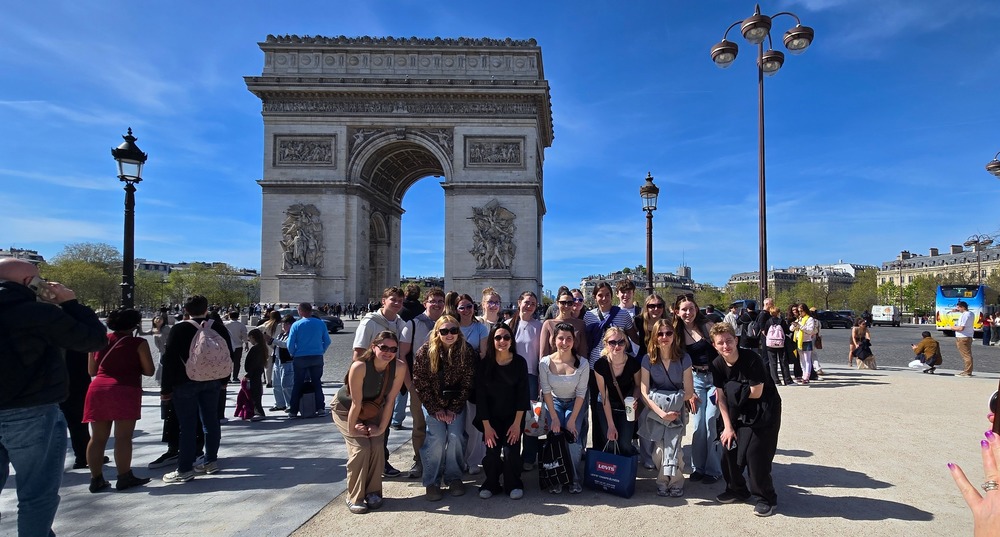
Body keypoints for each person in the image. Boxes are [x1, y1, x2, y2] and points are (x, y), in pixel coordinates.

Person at [0, 258, 107, 536]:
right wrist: (71, 303)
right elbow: (93, 340)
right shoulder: (36, 313)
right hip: (30, 409)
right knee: (36, 494)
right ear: (28, 283)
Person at [709, 323, 782, 517]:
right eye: (720, 343)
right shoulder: (717, 364)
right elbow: (720, 397)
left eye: (729, 341)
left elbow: (757, 393)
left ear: (737, 340)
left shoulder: (751, 359)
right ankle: (737, 489)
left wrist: (732, 387)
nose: (726, 346)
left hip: (764, 409)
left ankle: (766, 498)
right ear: (714, 345)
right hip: (736, 406)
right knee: (728, 447)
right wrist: (727, 426)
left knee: (755, 454)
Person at [160, 295, 234, 483]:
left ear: (185, 310)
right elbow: (228, 354)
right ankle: (211, 461)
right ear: (206, 309)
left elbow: (169, 360)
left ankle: (184, 469)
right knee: (211, 422)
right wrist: (224, 379)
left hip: (185, 381)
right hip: (213, 380)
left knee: (187, 425)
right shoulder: (217, 327)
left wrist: (166, 388)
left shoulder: (180, 328)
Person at [84, 308, 156, 492]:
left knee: (97, 438)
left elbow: (92, 371)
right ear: (134, 324)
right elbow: (149, 371)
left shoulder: (98, 341)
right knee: (123, 437)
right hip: (125, 388)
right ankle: (124, 476)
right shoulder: (137, 343)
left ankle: (96, 479)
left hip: (98, 389)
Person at [332, 331, 405, 514]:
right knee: (361, 447)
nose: (388, 352)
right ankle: (354, 496)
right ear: (374, 347)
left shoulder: (399, 367)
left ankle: (373, 492)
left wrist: (380, 428)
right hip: (346, 410)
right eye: (384, 347)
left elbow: (390, 401)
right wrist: (353, 428)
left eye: (393, 349)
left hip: (374, 409)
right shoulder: (360, 366)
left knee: (377, 444)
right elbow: (355, 403)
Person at [412, 315, 477, 501]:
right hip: (433, 404)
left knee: (456, 437)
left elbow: (468, 382)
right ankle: (432, 481)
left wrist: (454, 408)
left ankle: (454, 477)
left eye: (453, 331)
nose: (449, 334)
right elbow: (420, 383)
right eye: (444, 331)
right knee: (437, 439)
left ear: (459, 332)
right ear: (437, 332)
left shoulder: (467, 351)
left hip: (456, 403)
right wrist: (436, 408)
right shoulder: (424, 352)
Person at [352, 287, 405, 477]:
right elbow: (358, 353)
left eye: (400, 300)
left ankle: (381, 462)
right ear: (383, 300)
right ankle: (366, 466)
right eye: (393, 299)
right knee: (363, 424)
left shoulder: (401, 323)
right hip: (368, 382)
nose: (397, 303)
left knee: (383, 424)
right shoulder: (369, 323)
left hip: (388, 381)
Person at [639, 319, 695, 497]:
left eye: (668, 333)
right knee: (659, 451)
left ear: (674, 336)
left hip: (677, 411)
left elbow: (688, 391)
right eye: (660, 334)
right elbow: (644, 391)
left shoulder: (684, 358)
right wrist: (662, 412)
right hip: (657, 411)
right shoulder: (648, 359)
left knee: (675, 449)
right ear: (654, 337)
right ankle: (664, 479)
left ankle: (674, 482)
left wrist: (672, 405)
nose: (664, 337)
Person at [475, 323, 529, 500]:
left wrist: (516, 425)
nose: (502, 341)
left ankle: (513, 483)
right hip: (490, 418)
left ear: (511, 340)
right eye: (498, 337)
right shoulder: (484, 365)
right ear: (492, 340)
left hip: (514, 417)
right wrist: (487, 427)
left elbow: (523, 395)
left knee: (511, 451)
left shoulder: (520, 362)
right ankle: (491, 483)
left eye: (506, 337)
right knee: (492, 452)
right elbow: (480, 398)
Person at [583, 282, 639, 449]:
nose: (604, 298)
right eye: (600, 295)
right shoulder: (588, 316)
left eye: (607, 294)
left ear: (612, 296)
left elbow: (634, 338)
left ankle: (624, 445)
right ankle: (600, 447)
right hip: (596, 368)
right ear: (594, 297)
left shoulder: (623, 315)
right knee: (597, 407)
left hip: (619, 367)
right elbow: (586, 342)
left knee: (622, 406)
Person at [399, 287, 447, 479]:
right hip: (419, 384)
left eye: (440, 301)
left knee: (441, 427)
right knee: (420, 425)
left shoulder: (449, 324)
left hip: (444, 385)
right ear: (424, 302)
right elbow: (402, 356)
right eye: (433, 301)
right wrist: (409, 384)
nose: (436, 304)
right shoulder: (412, 324)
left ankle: (438, 461)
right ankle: (419, 460)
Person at [674, 293, 722, 484]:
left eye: (691, 308)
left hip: (714, 377)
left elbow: (722, 354)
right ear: (677, 312)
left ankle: (713, 469)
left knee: (711, 421)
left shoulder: (707, 326)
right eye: (684, 309)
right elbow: (680, 365)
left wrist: (722, 384)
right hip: (695, 379)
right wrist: (689, 391)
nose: (688, 313)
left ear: (696, 309)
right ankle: (698, 467)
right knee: (699, 423)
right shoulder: (676, 333)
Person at [539, 322, 590, 494]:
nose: (565, 342)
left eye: (569, 339)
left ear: (574, 341)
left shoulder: (582, 363)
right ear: (554, 340)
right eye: (561, 338)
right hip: (554, 403)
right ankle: (556, 477)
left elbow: (582, 393)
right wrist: (554, 417)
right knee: (555, 436)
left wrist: (573, 419)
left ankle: (574, 478)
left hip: (575, 402)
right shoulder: (545, 363)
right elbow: (546, 391)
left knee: (573, 438)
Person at [507, 291, 543, 470]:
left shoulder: (540, 326)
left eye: (533, 304)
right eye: (527, 302)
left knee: (531, 417)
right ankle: (511, 452)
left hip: (531, 375)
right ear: (519, 302)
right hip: (510, 376)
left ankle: (529, 456)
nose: (529, 306)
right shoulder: (507, 325)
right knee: (511, 416)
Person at [593, 327, 641, 457]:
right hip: (606, 404)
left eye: (621, 342)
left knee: (625, 444)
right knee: (610, 441)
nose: (617, 346)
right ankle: (611, 473)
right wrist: (611, 425)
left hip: (627, 406)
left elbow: (638, 385)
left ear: (626, 343)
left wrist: (635, 399)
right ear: (606, 344)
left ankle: (627, 468)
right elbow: (604, 397)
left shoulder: (633, 363)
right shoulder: (600, 365)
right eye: (612, 342)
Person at [287, 302, 331, 418]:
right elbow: (327, 341)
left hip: (300, 357)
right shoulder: (320, 323)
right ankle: (320, 408)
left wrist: (293, 353)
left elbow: (290, 343)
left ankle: (293, 411)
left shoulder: (296, 325)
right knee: (317, 383)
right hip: (317, 356)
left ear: (301, 311)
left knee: (298, 384)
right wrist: (321, 350)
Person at [761, 305, 792, 386]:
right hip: (781, 343)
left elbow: (766, 332)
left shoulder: (768, 321)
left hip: (770, 344)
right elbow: (787, 331)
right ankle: (787, 379)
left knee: (773, 362)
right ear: (778, 313)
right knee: (783, 361)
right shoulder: (781, 321)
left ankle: (776, 380)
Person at [269, 315, 295, 412]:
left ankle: (290, 404)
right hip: (277, 360)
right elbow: (277, 345)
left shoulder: (292, 335)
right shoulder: (281, 334)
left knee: (286, 385)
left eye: (286, 324)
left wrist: (272, 340)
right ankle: (280, 404)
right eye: (283, 324)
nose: (283, 326)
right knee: (276, 384)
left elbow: (285, 345)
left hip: (287, 361)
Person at [790, 303, 819, 385]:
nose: (800, 313)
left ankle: (807, 376)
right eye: (798, 311)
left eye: (801, 311)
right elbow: (791, 329)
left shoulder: (809, 319)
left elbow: (810, 330)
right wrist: (794, 325)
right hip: (799, 341)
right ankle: (804, 374)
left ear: (805, 310)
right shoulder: (799, 318)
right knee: (801, 359)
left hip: (806, 341)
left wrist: (800, 326)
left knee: (807, 359)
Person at [243, 328, 267, 420]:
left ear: (253, 337)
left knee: (255, 393)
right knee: (256, 392)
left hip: (254, 373)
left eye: (250, 339)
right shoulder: (261, 347)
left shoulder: (256, 349)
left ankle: (259, 412)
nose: (250, 341)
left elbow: (254, 363)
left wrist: (249, 374)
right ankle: (257, 411)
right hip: (257, 372)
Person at [224, 310, 248, 382]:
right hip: (238, 345)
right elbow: (244, 335)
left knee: (227, 362)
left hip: (227, 345)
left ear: (229, 316)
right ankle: (235, 377)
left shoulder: (225, 324)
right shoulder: (241, 325)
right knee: (237, 362)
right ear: (238, 316)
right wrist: (246, 344)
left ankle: (227, 377)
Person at [954, 301, 975, 377]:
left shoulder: (964, 315)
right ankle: (968, 371)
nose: (957, 309)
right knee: (968, 354)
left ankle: (967, 372)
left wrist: (952, 327)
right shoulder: (971, 314)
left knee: (966, 355)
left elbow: (961, 328)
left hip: (962, 337)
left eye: (959, 307)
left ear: (963, 307)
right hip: (968, 336)